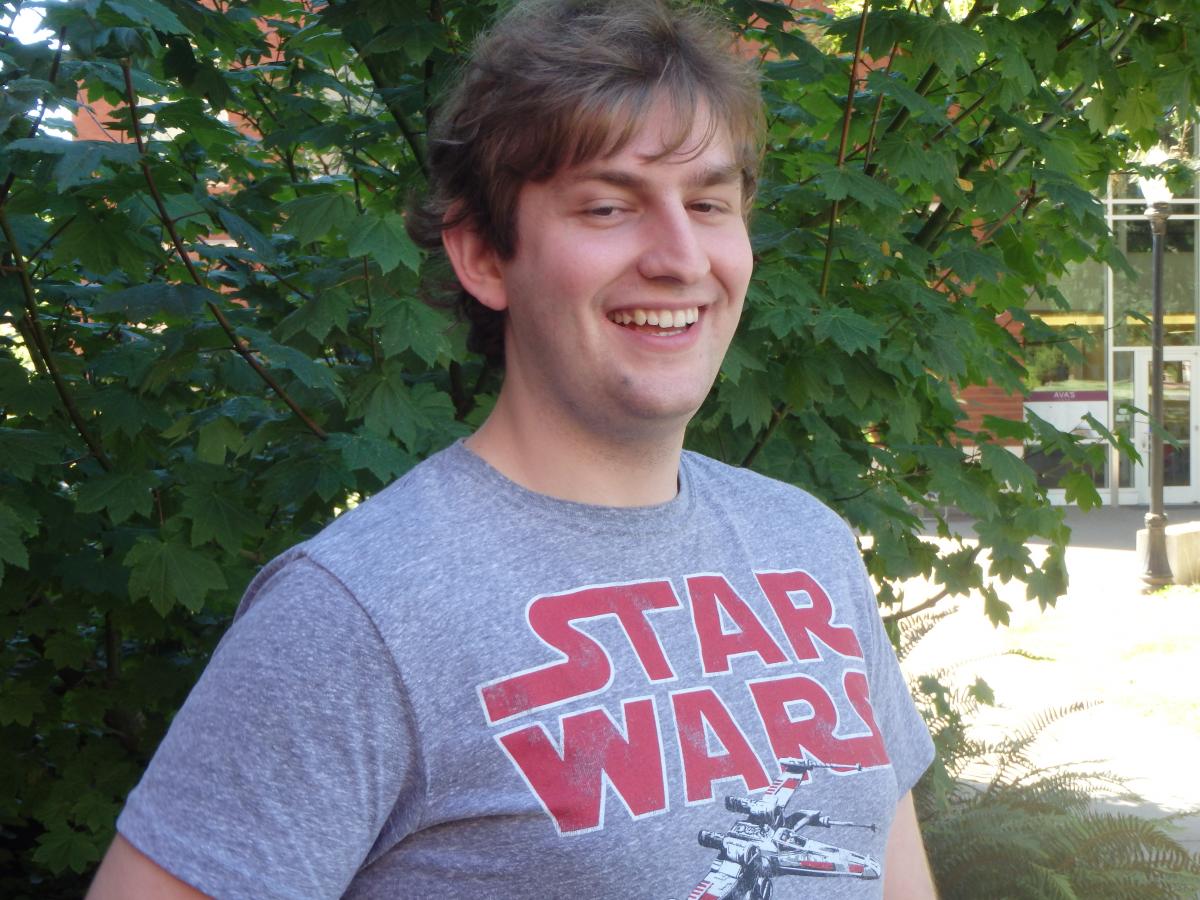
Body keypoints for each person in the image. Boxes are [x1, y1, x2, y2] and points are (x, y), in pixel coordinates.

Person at [88, 1, 938, 897]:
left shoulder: (807, 547)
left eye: (708, 203)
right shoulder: (358, 613)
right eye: (609, 206)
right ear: (484, 257)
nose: (683, 258)